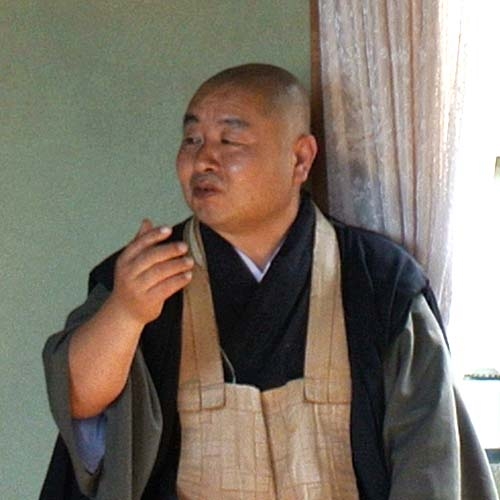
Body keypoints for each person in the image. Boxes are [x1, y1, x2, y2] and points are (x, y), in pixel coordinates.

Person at [40, 63, 498, 500]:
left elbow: (429, 454)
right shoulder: (144, 273)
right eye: (192, 139)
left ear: (300, 159)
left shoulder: (379, 281)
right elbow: (77, 404)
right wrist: (126, 312)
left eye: (230, 140)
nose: (203, 159)